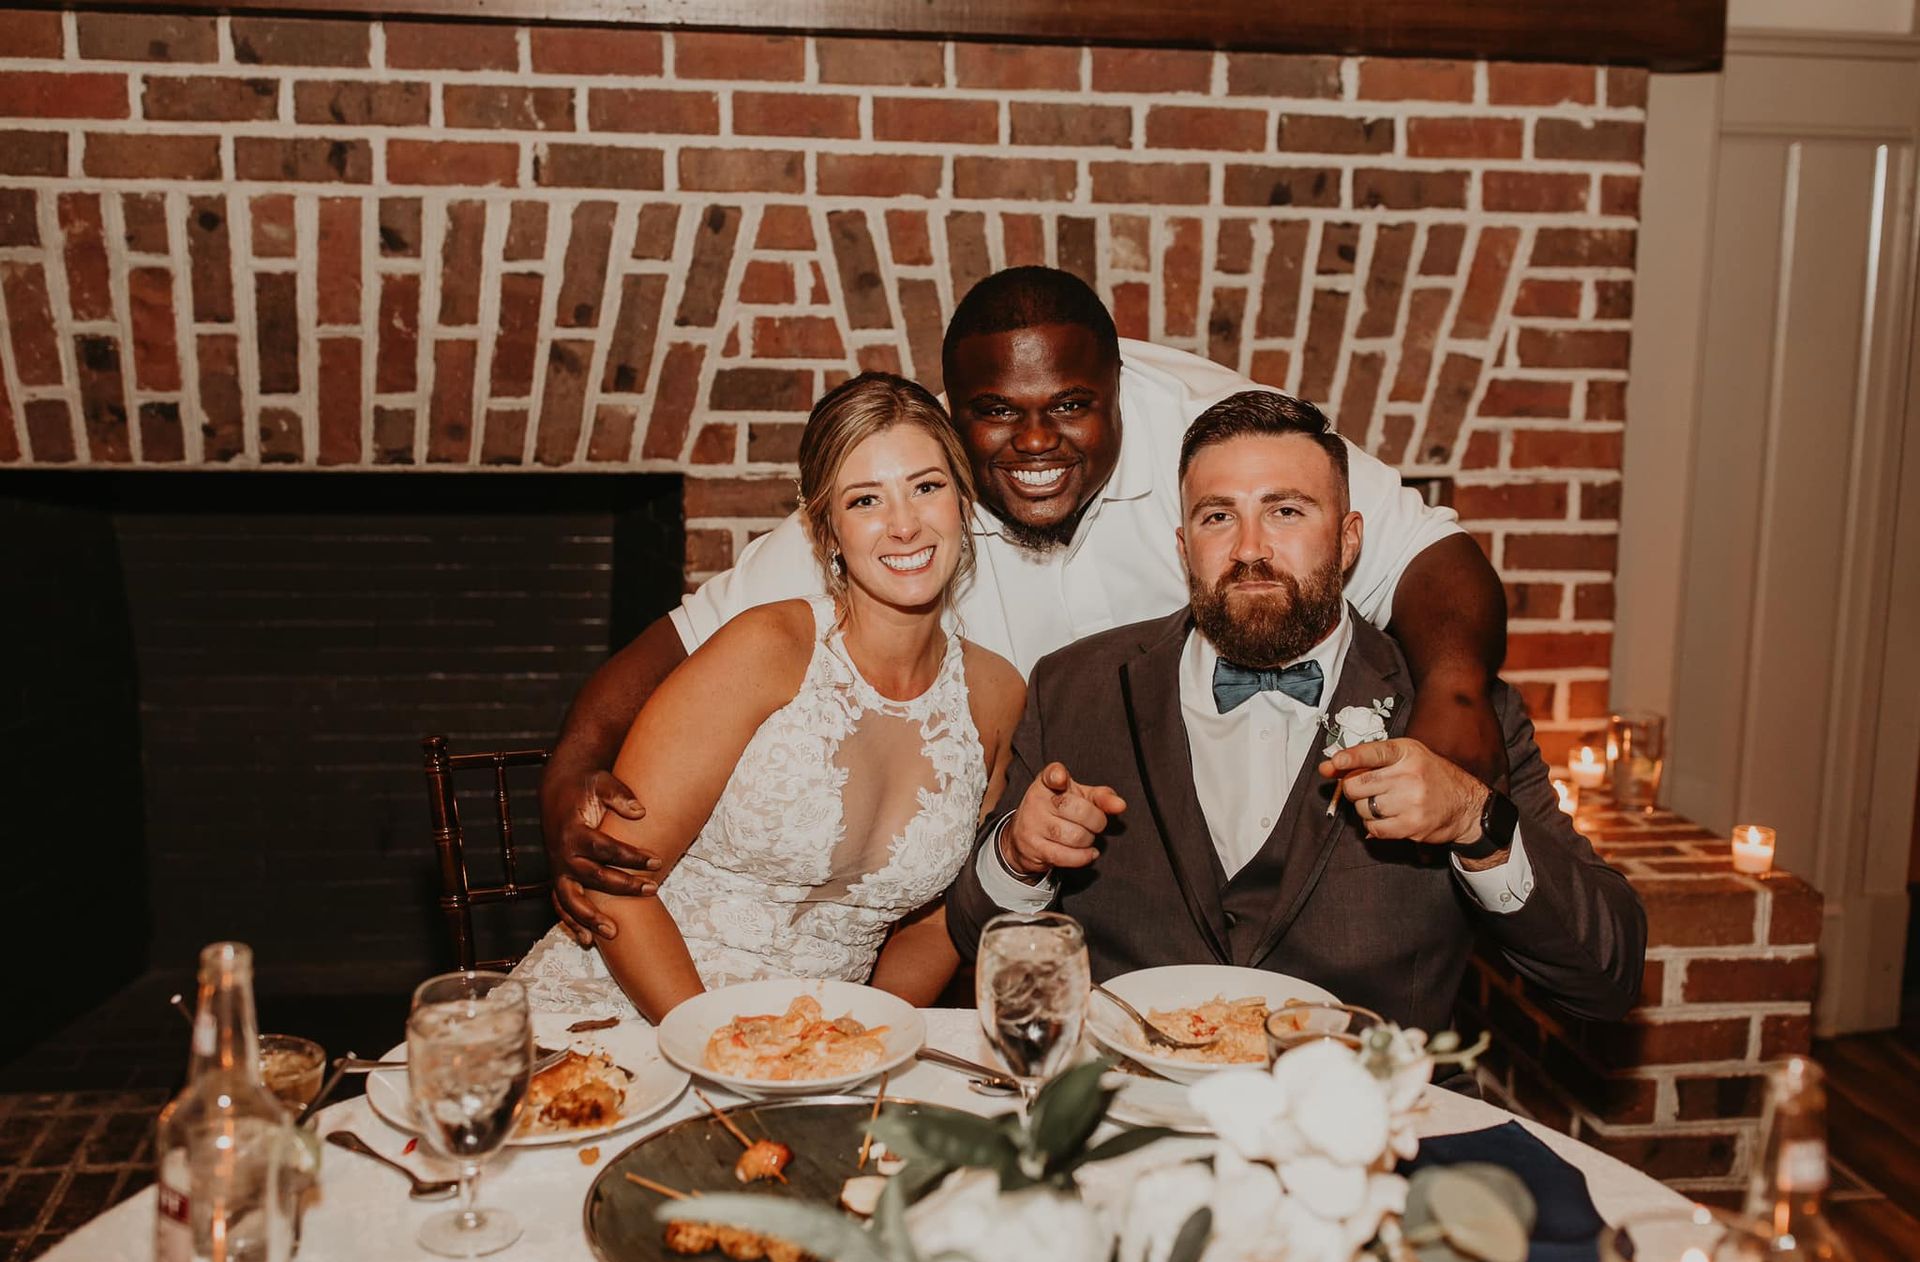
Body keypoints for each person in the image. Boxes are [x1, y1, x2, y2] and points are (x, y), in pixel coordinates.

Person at [542, 267, 1511, 944]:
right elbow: (679, 642)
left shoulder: (1213, 435)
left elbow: (1432, 551)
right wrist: (570, 775)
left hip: (1193, 867)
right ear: (953, 407)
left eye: (1074, 405)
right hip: (1002, 879)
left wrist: (1458, 696)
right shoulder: (908, 492)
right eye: (998, 411)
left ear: (1125, 392)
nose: (1036, 440)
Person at [945, 391, 1645, 1032]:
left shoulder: (1450, 709)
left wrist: (1476, 820)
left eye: (1286, 511)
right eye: (1219, 517)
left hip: (1371, 1136)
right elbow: (978, 939)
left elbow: (1606, 975)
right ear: (1185, 548)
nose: (1250, 549)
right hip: (1128, 1120)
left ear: (1348, 540)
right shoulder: (1077, 686)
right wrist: (1017, 856)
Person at [516, 372, 1025, 1022]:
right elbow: (619, 890)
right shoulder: (764, 649)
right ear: (827, 531)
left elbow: (934, 924)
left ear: (962, 498)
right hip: (631, 1011)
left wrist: (857, 1039)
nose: (903, 525)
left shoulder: (997, 695)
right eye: (865, 500)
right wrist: (722, 1049)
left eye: (926, 487)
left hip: (808, 1053)